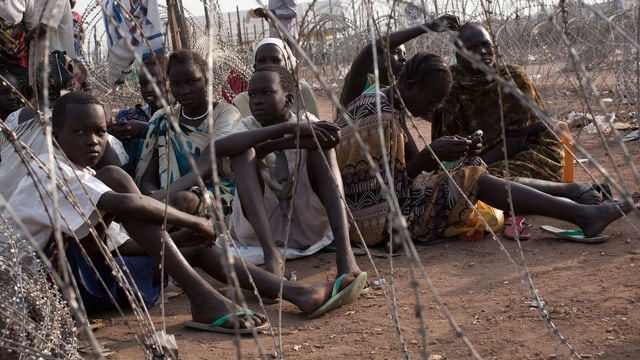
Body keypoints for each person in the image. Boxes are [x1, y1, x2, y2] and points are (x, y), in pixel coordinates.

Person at [1, 91, 368, 332]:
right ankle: (203, 298)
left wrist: (179, 240)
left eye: (99, 132)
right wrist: (194, 220)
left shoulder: (80, 176)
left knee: (193, 246)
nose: (93, 141)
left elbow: (115, 246)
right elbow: (123, 203)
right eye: (79, 132)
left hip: (82, 277)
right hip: (43, 289)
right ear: (55, 136)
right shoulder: (50, 173)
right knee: (118, 179)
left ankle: (293, 292)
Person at [336, 52, 631, 248]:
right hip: (374, 222)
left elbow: (414, 170)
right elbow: (384, 188)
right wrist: (432, 156)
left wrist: (451, 155)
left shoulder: (389, 107)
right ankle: (583, 215)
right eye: (431, 100)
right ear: (411, 84)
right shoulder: (379, 115)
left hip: (386, 206)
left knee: (471, 171)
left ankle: (580, 210)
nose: (433, 108)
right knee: (471, 179)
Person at [221, 64, 361, 282]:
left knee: (321, 147)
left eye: (267, 93)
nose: (257, 100)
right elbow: (222, 149)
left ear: (288, 100)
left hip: (307, 221)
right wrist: (286, 132)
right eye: (253, 95)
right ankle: (272, 256)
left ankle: (345, 253)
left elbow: (333, 137)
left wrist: (282, 140)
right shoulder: (247, 126)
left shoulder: (304, 120)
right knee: (242, 153)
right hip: (259, 230)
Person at [433, 23, 565, 184]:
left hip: (531, 153)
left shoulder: (512, 78)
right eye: (472, 48)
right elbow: (450, 139)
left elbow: (516, 142)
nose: (482, 51)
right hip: (477, 158)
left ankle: (571, 194)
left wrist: (474, 167)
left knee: (477, 181)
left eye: (486, 45)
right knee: (453, 182)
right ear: (459, 56)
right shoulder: (453, 85)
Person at [135, 50, 241, 214]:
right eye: (176, 84)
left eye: (192, 82)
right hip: (168, 197)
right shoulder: (164, 118)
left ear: (206, 79)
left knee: (183, 201)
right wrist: (151, 193)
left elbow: (204, 168)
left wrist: (160, 197)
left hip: (216, 195)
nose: (184, 90)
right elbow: (149, 175)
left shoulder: (225, 115)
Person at [339, 15, 460, 109]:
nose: (403, 58)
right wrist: (426, 27)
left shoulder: (398, 94)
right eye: (395, 52)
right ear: (376, 56)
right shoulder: (358, 85)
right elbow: (370, 51)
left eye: (405, 54)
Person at [232, 38, 318, 119]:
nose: (269, 65)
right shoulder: (242, 102)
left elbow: (315, 129)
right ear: (255, 66)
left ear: (287, 65)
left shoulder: (301, 91)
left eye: (276, 60)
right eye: (262, 60)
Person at [108, 57, 165, 176]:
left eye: (156, 83)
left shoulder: (182, 115)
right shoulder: (128, 116)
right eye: (143, 84)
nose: (148, 89)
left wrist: (146, 129)